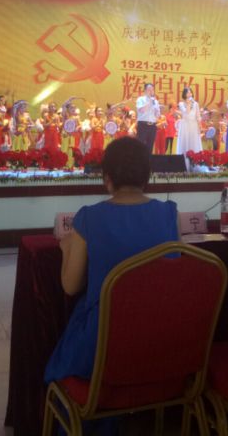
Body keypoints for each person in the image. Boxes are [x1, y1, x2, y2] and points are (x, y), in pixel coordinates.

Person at [44, 137, 179, 387]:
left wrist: (66, 248)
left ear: (106, 178)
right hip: (160, 335)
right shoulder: (170, 214)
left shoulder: (89, 218)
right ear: (147, 177)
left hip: (104, 340)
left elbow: (70, 286)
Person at [176, 87, 202, 155]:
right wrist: (188, 104)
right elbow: (186, 112)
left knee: (193, 142)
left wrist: (199, 126)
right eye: (188, 93)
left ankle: (194, 158)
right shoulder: (181, 104)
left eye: (190, 92)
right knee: (185, 142)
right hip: (185, 125)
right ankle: (184, 158)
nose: (190, 94)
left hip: (194, 125)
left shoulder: (195, 104)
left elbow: (198, 116)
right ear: (184, 94)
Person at [135, 83, 160, 154]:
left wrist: (157, 111)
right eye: (149, 89)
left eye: (152, 89)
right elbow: (142, 110)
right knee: (140, 145)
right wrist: (150, 102)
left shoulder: (155, 101)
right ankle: (139, 160)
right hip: (143, 125)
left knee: (150, 145)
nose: (151, 91)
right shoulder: (140, 99)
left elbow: (158, 115)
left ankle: (148, 159)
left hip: (152, 126)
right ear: (145, 90)